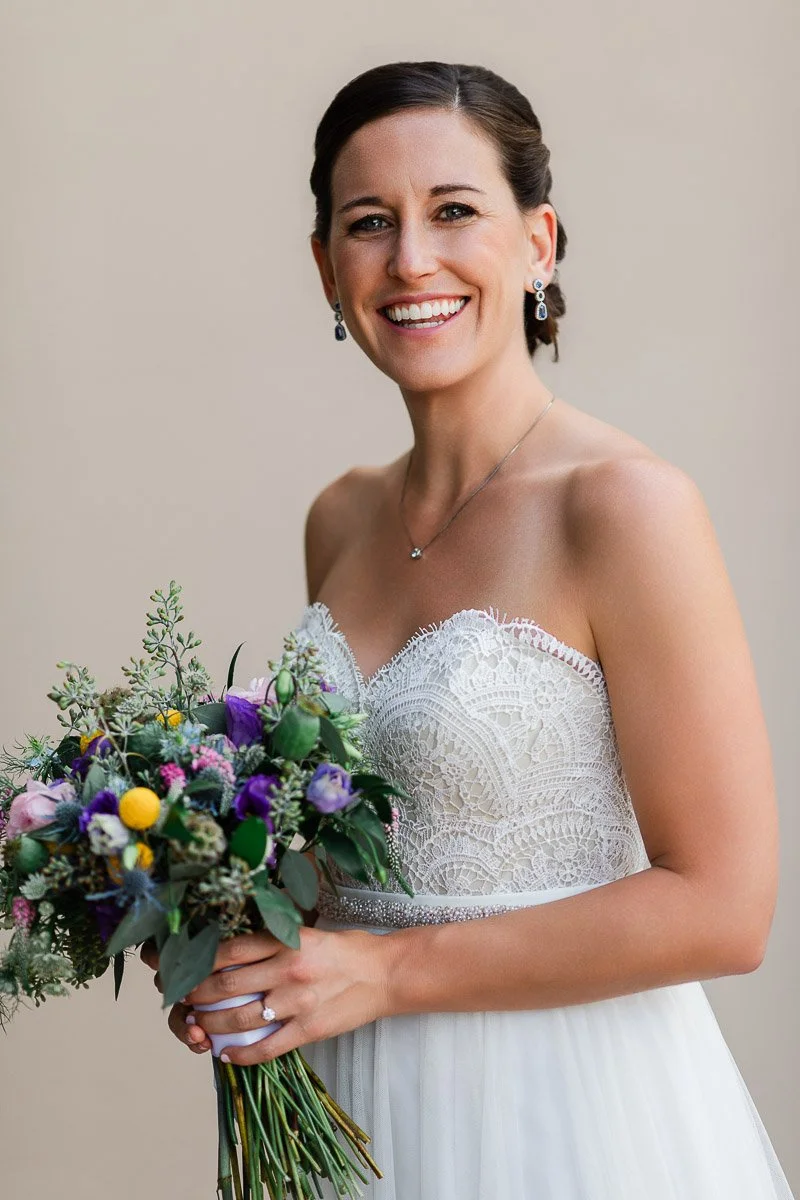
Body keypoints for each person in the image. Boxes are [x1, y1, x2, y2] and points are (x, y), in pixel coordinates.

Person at [142, 61, 795, 1198]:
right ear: (323, 267)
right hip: (351, 1095)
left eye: (453, 211)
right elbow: (357, 844)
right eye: (367, 224)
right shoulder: (339, 516)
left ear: (538, 242)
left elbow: (723, 906)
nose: (409, 261)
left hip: (560, 1103)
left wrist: (386, 976)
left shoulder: (624, 504)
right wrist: (218, 927)